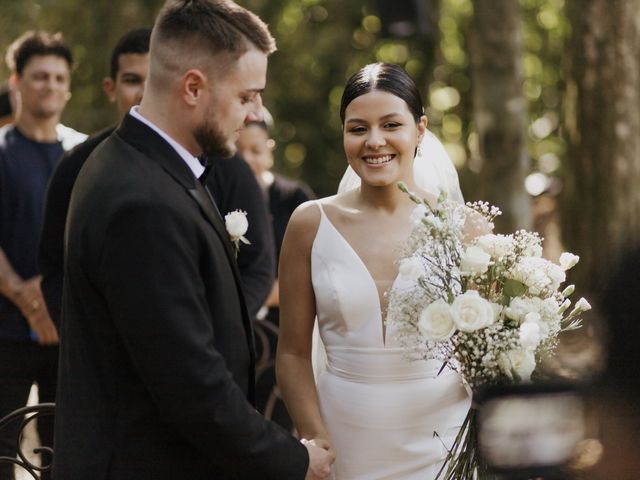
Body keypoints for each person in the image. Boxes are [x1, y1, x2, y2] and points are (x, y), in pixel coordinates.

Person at [53, 1, 332, 479]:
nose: (256, 113)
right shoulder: (140, 203)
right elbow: (190, 386)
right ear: (194, 87)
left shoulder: (147, 165)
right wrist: (295, 459)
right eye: (247, 96)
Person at [277, 63, 470, 479]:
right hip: (344, 443)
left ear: (420, 130)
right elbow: (292, 352)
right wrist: (315, 438)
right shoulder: (309, 223)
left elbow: (491, 352)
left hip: (445, 442)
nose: (375, 141)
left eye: (391, 125)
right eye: (358, 128)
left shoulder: (467, 227)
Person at [39, 28, 274, 325]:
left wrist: (215, 330)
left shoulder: (227, 164)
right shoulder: (78, 165)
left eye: (153, 79)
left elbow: (259, 268)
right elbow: (54, 266)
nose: (143, 92)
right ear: (110, 88)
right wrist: (90, 337)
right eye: (132, 80)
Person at [0, 30, 85, 480]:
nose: (49, 85)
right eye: (39, 76)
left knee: (65, 450)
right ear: (16, 82)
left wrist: (55, 300)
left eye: (58, 77)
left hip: (70, 335)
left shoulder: (85, 155)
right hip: (6, 332)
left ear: (68, 87)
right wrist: (25, 295)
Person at [237, 118, 315, 427]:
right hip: (239, 337)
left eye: (255, 150)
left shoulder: (294, 197)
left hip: (286, 332)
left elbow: (313, 273)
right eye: (238, 151)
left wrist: (258, 295)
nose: (247, 160)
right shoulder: (218, 196)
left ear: (270, 151)